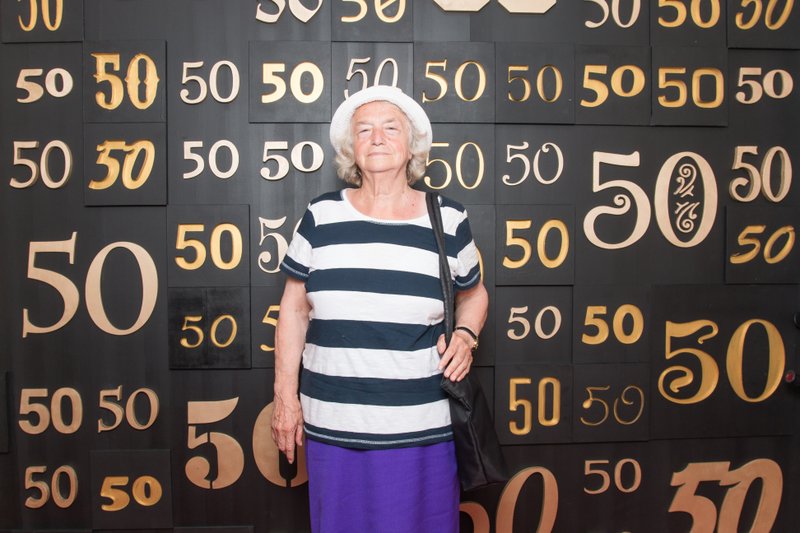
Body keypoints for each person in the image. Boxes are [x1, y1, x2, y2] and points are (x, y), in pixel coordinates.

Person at [271, 85, 489, 533]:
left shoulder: (447, 217)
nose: (377, 138)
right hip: (333, 423)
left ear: (412, 146)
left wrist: (466, 335)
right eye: (364, 129)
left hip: (421, 425)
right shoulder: (320, 215)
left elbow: (474, 293)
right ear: (350, 148)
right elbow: (293, 310)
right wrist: (284, 398)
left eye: (390, 128)